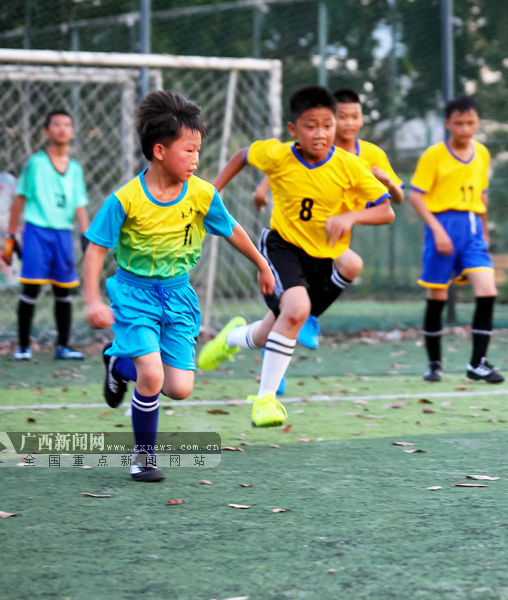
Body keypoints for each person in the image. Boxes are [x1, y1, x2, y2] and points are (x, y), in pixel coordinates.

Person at [82, 91, 274, 482]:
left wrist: (261, 263)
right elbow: (95, 249)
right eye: (188, 150)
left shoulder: (202, 193)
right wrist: (91, 300)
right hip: (134, 294)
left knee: (179, 388)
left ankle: (118, 364)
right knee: (151, 376)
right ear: (159, 151)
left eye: (198, 150)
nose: (196, 159)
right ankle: (143, 458)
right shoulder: (126, 199)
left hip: (178, 295)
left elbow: (234, 230)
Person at [196, 85, 394, 427]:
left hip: (321, 260)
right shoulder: (278, 155)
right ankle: (266, 400)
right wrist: (213, 190)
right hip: (281, 247)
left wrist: (351, 216)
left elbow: (386, 210)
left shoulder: (349, 166)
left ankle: (229, 339)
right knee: (299, 309)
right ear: (293, 130)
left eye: (327, 125)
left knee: (268, 333)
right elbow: (243, 154)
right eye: (311, 125)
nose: (321, 134)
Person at [250, 88, 404, 393]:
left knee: (343, 271)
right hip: (300, 236)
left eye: (353, 116)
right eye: (342, 116)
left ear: (361, 120)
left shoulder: (370, 155)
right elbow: (285, 164)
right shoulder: (312, 144)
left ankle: (300, 325)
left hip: (332, 239)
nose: (347, 122)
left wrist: (386, 182)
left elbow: (395, 200)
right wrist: (262, 187)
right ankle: (277, 363)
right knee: (302, 301)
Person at [407, 96, 503, 384]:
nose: (465, 129)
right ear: (448, 124)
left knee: (487, 290)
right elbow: (415, 195)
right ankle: (434, 363)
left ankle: (478, 363)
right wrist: (437, 230)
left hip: (472, 228)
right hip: (443, 226)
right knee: (437, 295)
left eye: (471, 123)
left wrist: (485, 230)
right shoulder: (433, 155)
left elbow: (482, 194)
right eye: (459, 123)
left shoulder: (482, 153)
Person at [3, 109, 90, 361]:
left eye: (67, 124)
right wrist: (10, 235)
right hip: (36, 232)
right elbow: (21, 197)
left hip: (63, 234)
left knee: (64, 291)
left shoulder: (75, 169)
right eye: (56, 124)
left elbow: (79, 204)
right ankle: (23, 346)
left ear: (72, 132)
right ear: (46, 131)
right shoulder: (36, 163)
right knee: (31, 288)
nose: (62, 129)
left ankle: (63, 346)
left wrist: (87, 236)